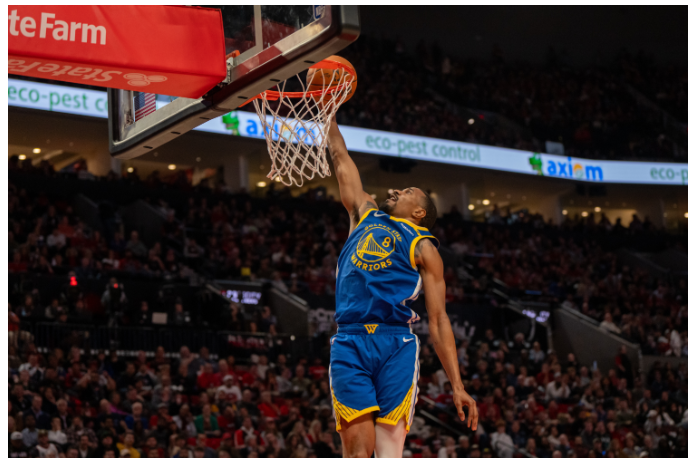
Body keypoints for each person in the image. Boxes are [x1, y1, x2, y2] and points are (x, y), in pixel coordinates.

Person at [325, 118, 477, 458]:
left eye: (406, 192)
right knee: (358, 452)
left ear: (419, 212)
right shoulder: (364, 213)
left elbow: (438, 320)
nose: (394, 191)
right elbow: (339, 155)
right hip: (349, 340)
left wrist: (457, 385)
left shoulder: (424, 247)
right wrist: (328, 117)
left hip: (395, 343)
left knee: (388, 453)